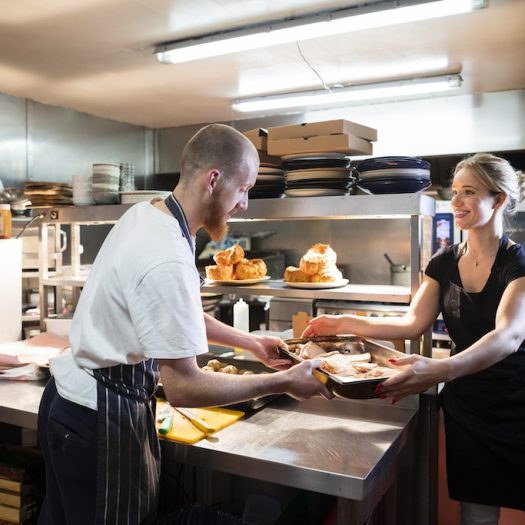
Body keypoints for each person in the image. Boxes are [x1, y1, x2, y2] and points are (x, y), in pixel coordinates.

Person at [37, 123, 331, 525]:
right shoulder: (167, 255)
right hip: (97, 419)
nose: (245, 203)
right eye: (243, 188)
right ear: (214, 180)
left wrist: (247, 342)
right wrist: (284, 382)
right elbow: (183, 387)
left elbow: (170, 309)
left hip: (66, 401)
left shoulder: (150, 215)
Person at [303, 153, 525, 525]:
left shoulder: (517, 263)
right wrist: (344, 321)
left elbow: (509, 335)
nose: (455, 202)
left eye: (468, 193)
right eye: (454, 192)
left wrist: (440, 369)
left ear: (498, 199)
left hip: (515, 402)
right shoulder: (444, 261)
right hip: (467, 405)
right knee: (477, 511)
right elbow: (411, 323)